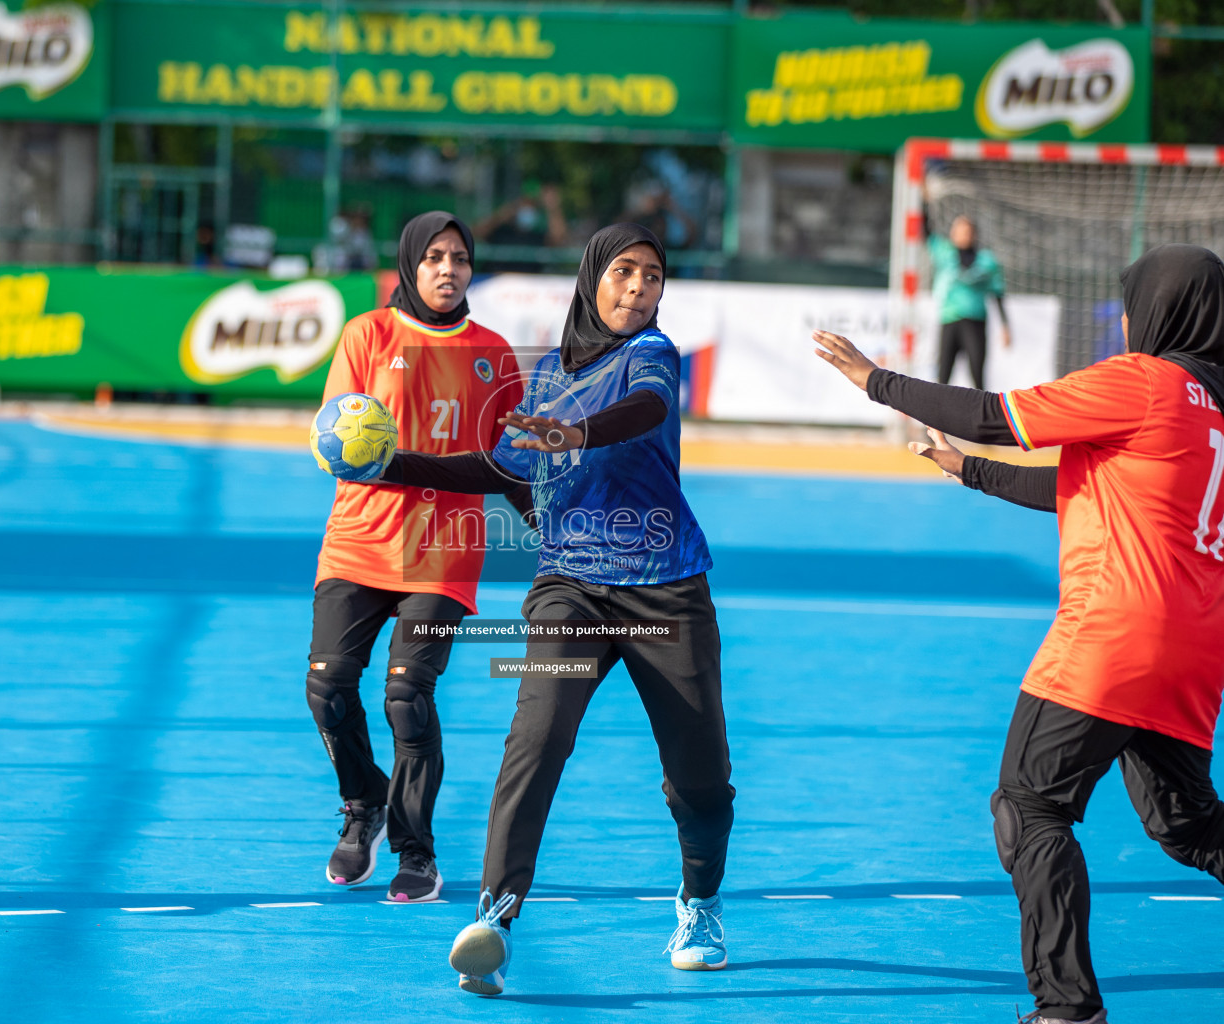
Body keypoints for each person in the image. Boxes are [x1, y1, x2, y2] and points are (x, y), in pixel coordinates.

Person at [813, 243, 1224, 1024]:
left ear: (1158, 312)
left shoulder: (1141, 382)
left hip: (1112, 636)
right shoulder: (1218, 414)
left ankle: (1066, 1003)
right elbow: (1072, 486)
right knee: (1189, 824)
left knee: (1029, 804)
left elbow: (994, 417)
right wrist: (967, 470)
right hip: (1196, 651)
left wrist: (876, 382)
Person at [376, 223, 735, 995]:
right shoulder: (543, 378)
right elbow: (498, 468)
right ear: (591, 277)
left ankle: (699, 902)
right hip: (568, 588)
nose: (638, 289)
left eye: (651, 277)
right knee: (534, 739)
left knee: (698, 779)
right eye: (623, 273)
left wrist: (575, 433)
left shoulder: (652, 357)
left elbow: (640, 412)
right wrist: (391, 462)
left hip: (664, 591)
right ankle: (493, 919)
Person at [306, 212, 525, 903]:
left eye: (459, 258)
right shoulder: (365, 335)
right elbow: (339, 441)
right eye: (432, 256)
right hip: (357, 542)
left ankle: (416, 851)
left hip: (442, 555)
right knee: (327, 687)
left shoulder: (492, 352)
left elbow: (512, 464)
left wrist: (553, 530)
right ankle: (363, 804)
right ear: (409, 263)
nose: (447, 269)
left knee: (407, 696)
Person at [926, 208, 1010, 389]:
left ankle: (980, 417)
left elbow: (998, 293)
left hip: (975, 321)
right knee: (943, 375)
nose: (963, 235)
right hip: (950, 320)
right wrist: (924, 197)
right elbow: (924, 229)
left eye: (967, 231)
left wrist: (1005, 325)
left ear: (974, 234)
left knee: (977, 375)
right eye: (959, 230)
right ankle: (938, 415)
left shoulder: (987, 261)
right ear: (952, 233)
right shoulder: (944, 253)